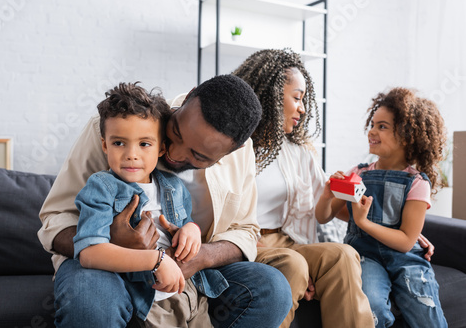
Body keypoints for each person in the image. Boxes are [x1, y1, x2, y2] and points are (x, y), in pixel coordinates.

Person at [38, 74, 292, 328]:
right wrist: (116, 245)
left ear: (231, 151)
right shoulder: (121, 127)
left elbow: (245, 230)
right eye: (175, 133)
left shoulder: (240, 153)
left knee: (273, 289)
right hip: (106, 264)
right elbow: (56, 219)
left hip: (191, 271)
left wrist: (200, 254)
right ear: (189, 96)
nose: (173, 153)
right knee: (90, 303)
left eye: (198, 155)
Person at [232, 48, 374, 328]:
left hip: (289, 243)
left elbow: (328, 206)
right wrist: (296, 262)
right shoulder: (232, 147)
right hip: (247, 243)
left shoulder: (298, 152)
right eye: (297, 98)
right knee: (293, 263)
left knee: (342, 255)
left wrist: (403, 229)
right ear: (270, 95)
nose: (304, 108)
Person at [73, 82, 216, 327]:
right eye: (119, 143)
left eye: (144, 144)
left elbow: (184, 223)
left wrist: (191, 229)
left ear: (161, 148)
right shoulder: (102, 187)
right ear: (105, 145)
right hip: (152, 300)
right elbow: (89, 253)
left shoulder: (173, 185)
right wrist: (156, 260)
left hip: (192, 293)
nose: (132, 154)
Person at [315, 87, 448, 328]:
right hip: (365, 256)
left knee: (425, 308)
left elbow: (407, 240)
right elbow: (326, 217)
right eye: (372, 124)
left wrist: (365, 222)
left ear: (407, 136)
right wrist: (327, 197)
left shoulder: (417, 183)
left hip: (405, 258)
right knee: (371, 308)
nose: (372, 131)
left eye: (382, 126)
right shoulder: (357, 174)